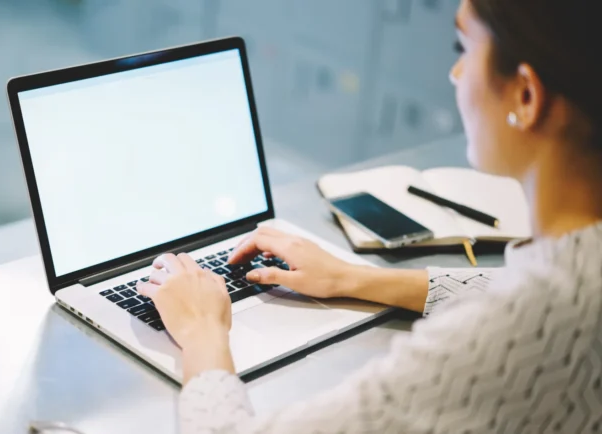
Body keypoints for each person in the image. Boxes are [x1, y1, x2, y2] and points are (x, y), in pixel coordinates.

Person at [137, 0, 602, 431]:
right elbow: (507, 289)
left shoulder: (508, 331)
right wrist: (354, 278)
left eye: (464, 47)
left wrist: (202, 331)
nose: (456, 73)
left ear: (526, 96)